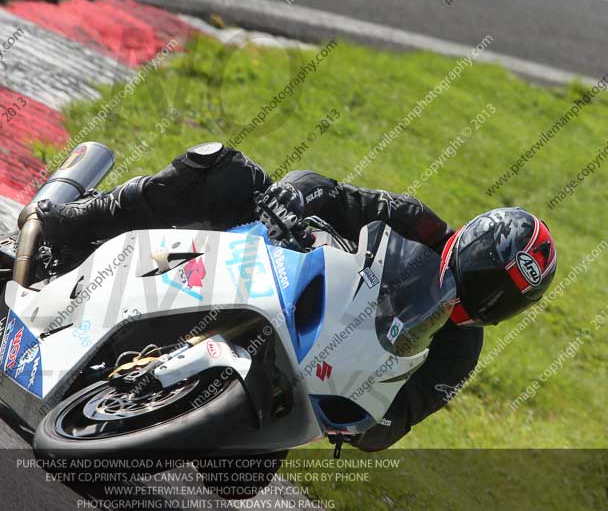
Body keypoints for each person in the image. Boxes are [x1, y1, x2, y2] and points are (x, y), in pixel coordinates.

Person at [36, 142, 558, 451]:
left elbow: (396, 424)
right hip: (273, 273)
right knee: (224, 169)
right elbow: (333, 191)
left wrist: (368, 421)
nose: (484, 300)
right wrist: (294, 197)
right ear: (469, 244)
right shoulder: (418, 223)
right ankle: (86, 218)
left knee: (238, 477)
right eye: (487, 278)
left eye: (501, 300)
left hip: (301, 384)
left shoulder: (460, 350)